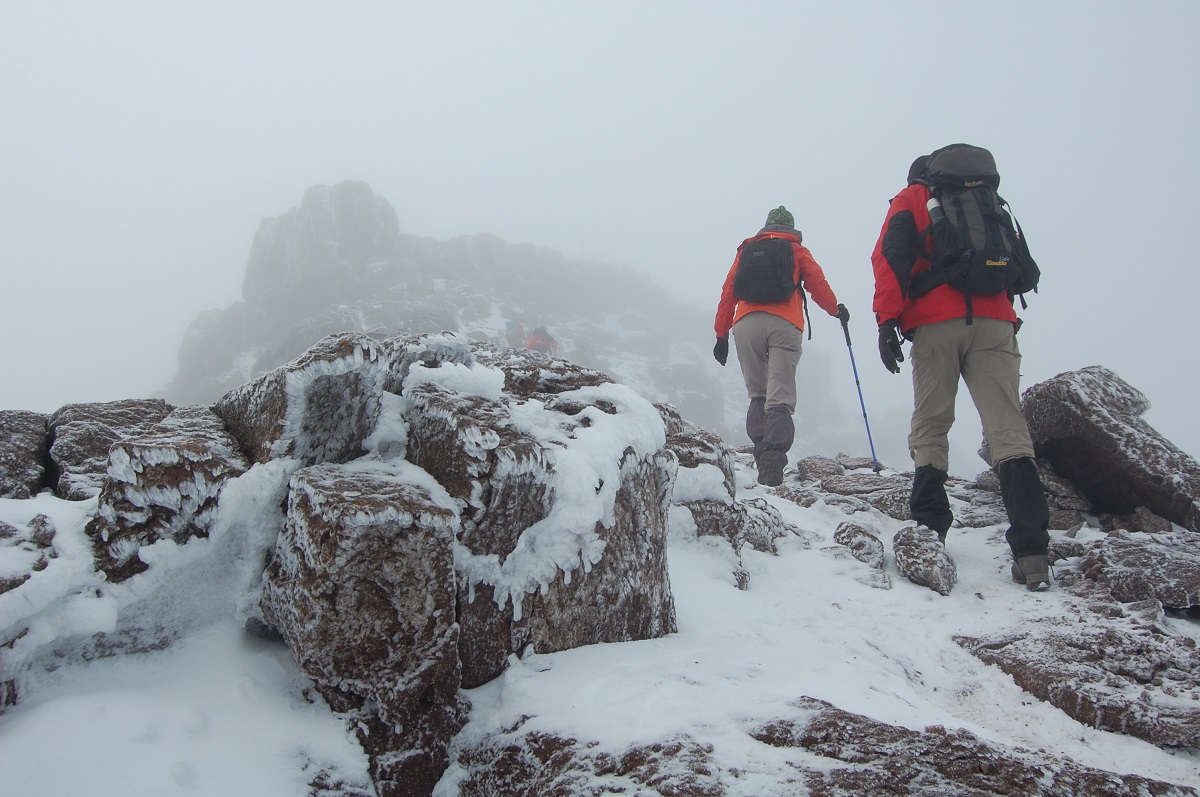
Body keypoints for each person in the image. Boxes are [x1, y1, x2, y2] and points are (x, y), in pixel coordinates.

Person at [871, 151, 1052, 590]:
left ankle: (930, 532)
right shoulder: (987, 198)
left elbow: (889, 257)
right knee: (1008, 428)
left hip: (936, 322)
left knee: (932, 424)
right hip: (995, 320)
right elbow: (1023, 269)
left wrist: (887, 321)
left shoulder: (912, 198)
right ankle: (1033, 554)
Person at [713, 206, 849, 487]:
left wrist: (721, 334)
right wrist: (835, 310)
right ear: (791, 227)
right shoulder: (797, 250)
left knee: (757, 392)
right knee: (780, 395)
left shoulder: (747, 251)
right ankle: (772, 465)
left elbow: (728, 291)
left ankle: (760, 453)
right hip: (784, 324)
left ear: (766, 226)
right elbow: (817, 284)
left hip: (746, 323)